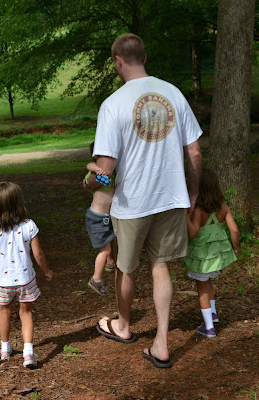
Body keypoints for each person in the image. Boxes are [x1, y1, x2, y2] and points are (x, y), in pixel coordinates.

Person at [93, 33, 203, 369]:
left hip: (132, 203)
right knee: (160, 265)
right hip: (170, 197)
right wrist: (193, 191)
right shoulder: (173, 93)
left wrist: (91, 180)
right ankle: (162, 343)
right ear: (144, 57)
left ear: (118, 61)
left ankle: (124, 326)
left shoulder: (113, 104)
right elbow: (195, 152)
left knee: (125, 267)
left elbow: (106, 169)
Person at [0, 181, 53, 369]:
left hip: (3, 282)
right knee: (26, 312)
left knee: (4, 312)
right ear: (18, 202)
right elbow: (38, 254)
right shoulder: (29, 225)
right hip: (26, 280)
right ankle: (28, 352)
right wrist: (46, 271)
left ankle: (5, 349)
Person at [183, 168, 239, 338]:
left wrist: (184, 216)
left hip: (202, 258)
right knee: (208, 284)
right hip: (217, 256)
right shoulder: (223, 207)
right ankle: (213, 313)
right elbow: (234, 230)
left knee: (202, 289)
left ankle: (209, 328)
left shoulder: (198, 212)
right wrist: (235, 248)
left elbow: (193, 233)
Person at [83, 142, 117, 295]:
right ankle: (96, 279)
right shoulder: (98, 173)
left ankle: (110, 263)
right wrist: (97, 169)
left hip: (104, 217)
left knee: (109, 242)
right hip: (97, 217)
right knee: (105, 250)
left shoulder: (111, 173)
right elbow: (89, 165)